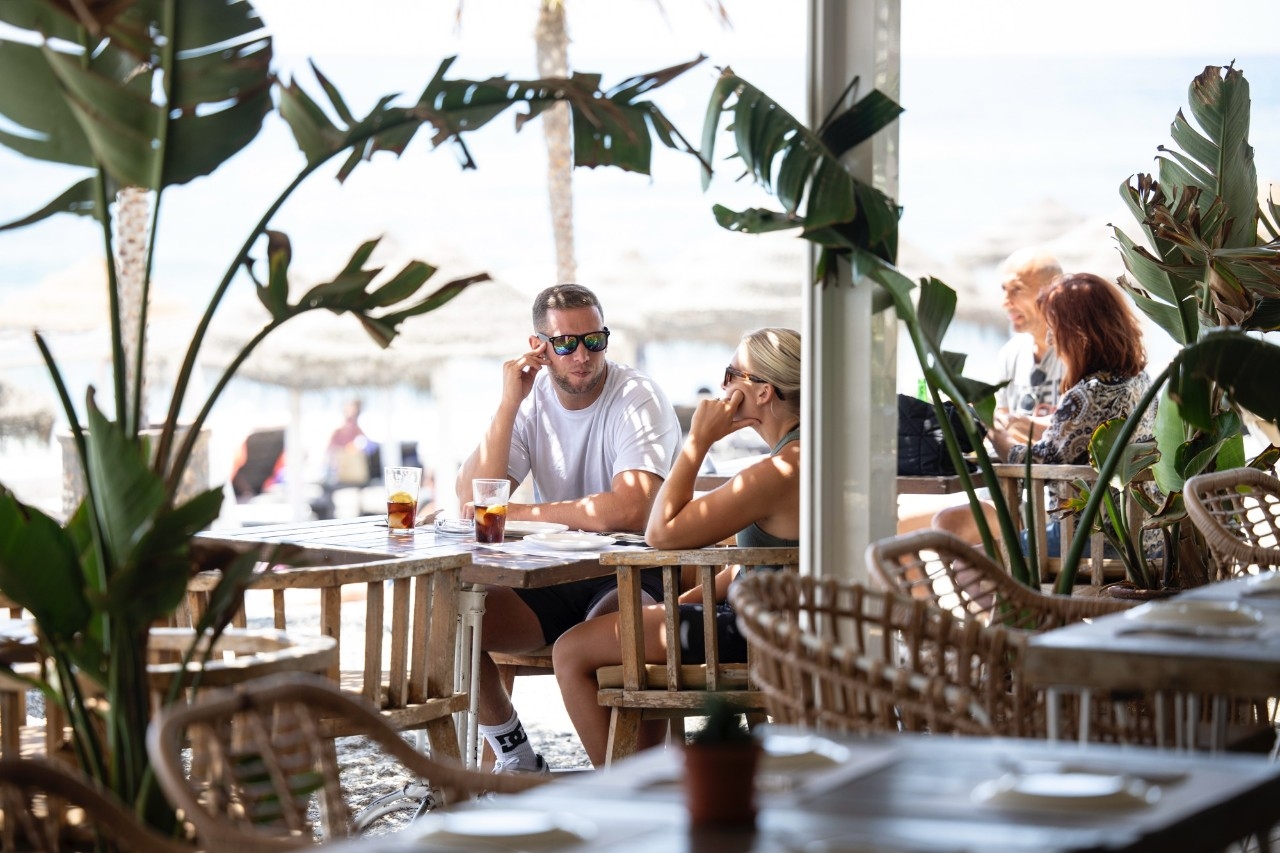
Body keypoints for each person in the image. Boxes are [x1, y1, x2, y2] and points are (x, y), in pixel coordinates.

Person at [456, 283, 682, 773]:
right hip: (551, 573)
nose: (582, 355)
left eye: (594, 340)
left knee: (608, 642)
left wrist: (516, 515)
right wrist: (507, 404)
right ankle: (515, 756)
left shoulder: (636, 395)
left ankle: (625, 785)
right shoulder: (529, 401)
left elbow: (629, 509)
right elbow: (469, 500)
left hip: (630, 567)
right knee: (456, 619)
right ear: (539, 347)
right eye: (565, 343)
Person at [551, 328, 801, 767]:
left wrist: (697, 441)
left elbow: (660, 532)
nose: (723, 387)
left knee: (570, 651)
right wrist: (678, 603)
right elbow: (751, 567)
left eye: (731, 374)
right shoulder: (810, 455)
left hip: (761, 636)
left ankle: (625, 792)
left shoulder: (779, 470)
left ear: (763, 393)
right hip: (790, 621)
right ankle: (646, 775)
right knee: (619, 624)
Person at [936, 273, 1153, 552]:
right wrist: (1021, 422)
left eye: (1055, 329)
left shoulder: (1089, 393)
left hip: (1091, 541)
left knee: (970, 564)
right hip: (1140, 536)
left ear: (1080, 333)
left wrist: (991, 427)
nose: (1051, 339)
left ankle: (1022, 597)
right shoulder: (1134, 380)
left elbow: (1036, 465)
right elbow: (1082, 435)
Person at [993, 248, 1065, 445]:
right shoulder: (1010, 353)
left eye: (1016, 289)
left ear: (1052, 292)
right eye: (1003, 290)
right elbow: (1000, 422)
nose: (1005, 303)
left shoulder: (1078, 351)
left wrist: (1012, 425)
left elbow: (1074, 430)